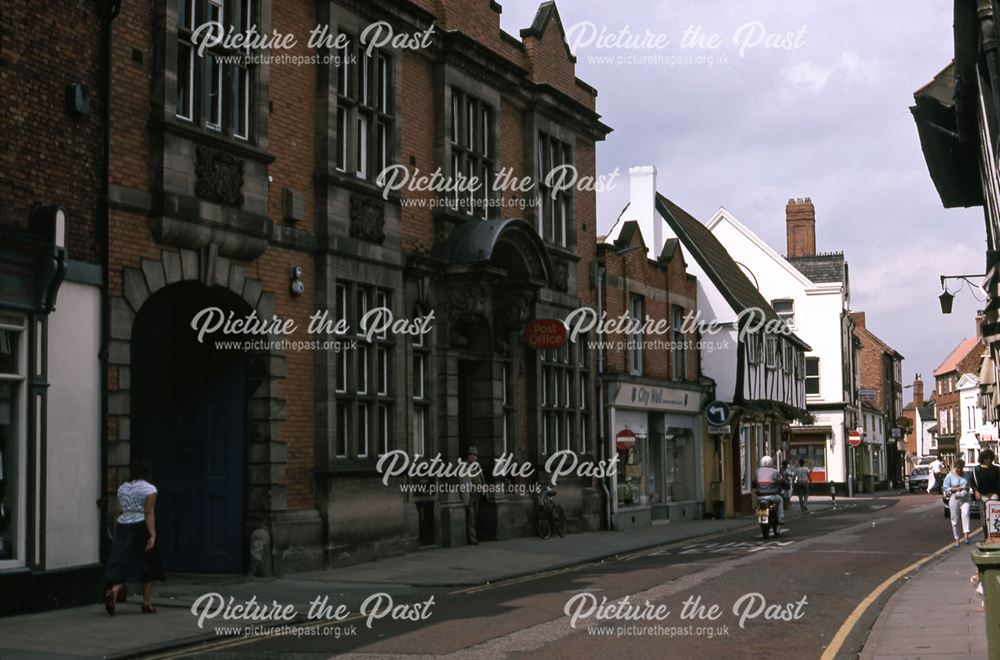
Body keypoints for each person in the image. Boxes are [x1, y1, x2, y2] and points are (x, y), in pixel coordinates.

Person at [104, 459, 164, 615]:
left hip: (123, 525)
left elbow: (116, 511)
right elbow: (149, 512)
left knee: (126, 562)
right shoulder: (150, 489)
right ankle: (145, 602)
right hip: (140, 526)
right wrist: (152, 534)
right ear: (147, 473)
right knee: (147, 564)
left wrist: (118, 531)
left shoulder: (122, 488)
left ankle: (115, 590)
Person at [942, 459, 973, 547]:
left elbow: (969, 485)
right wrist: (955, 489)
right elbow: (945, 487)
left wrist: (966, 488)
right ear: (955, 467)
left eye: (961, 469)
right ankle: (957, 539)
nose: (960, 471)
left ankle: (966, 536)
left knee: (966, 514)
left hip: (965, 497)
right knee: (954, 519)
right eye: (958, 469)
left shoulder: (966, 475)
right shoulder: (950, 476)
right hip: (954, 498)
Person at [459, 447, 485, 545]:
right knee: (471, 518)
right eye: (471, 455)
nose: (473, 457)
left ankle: (474, 536)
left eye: (475, 455)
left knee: (476, 517)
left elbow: (479, 479)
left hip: (477, 494)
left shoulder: (477, 466)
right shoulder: (464, 467)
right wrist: (466, 495)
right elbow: (463, 483)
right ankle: (473, 539)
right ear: (468, 456)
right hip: (470, 494)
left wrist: (482, 487)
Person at [972, 449, 1000, 538]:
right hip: (982, 495)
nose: (988, 460)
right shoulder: (976, 470)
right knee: (984, 517)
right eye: (986, 458)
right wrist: (976, 492)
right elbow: (974, 482)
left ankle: (995, 535)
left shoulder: (996, 469)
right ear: (982, 458)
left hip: (993, 494)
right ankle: (986, 536)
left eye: (990, 458)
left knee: (994, 515)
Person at [753, 456, 784, 524]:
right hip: (771, 496)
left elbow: (754, 482)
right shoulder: (774, 471)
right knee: (781, 500)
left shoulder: (757, 471)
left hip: (760, 496)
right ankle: (780, 518)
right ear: (771, 463)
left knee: (759, 505)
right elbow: (781, 480)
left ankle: (760, 518)